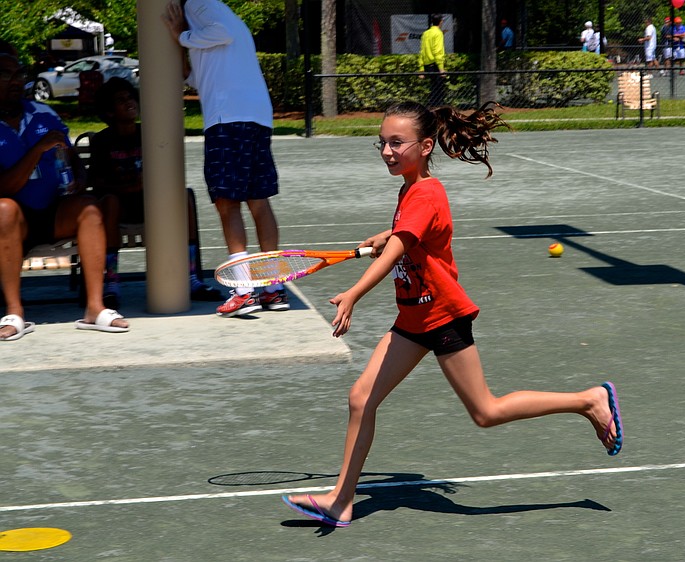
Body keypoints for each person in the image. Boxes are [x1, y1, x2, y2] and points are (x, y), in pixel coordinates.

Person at [281, 101, 624, 527]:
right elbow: (415, 234)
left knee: (486, 412)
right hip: (413, 320)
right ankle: (340, 500)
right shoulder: (411, 190)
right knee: (360, 399)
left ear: (425, 146)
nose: (388, 151)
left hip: (442, 317)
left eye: (397, 143)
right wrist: (388, 234)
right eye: (382, 143)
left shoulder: (425, 192)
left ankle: (588, 400)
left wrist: (353, 293)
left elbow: (399, 251)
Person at [162, 0, 288, 317]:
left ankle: (244, 289)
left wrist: (181, 36)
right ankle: (273, 289)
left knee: (226, 200)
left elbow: (225, 32)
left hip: (228, 118)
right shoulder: (203, 14)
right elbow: (193, 75)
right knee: (258, 200)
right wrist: (182, 41)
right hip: (254, 115)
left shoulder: (199, 3)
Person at [0, 53, 129, 340]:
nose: (16, 81)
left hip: (53, 209)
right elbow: (4, 188)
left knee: (89, 209)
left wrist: (79, 180)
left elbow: (70, 156)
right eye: (7, 75)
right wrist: (36, 150)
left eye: (19, 74)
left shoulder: (44, 113)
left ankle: (95, 308)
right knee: (4, 209)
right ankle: (15, 312)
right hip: (11, 221)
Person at [87, 77, 223, 306]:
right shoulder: (103, 141)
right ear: (109, 112)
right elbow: (97, 183)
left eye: (130, 97)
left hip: (152, 204)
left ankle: (190, 278)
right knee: (109, 201)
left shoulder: (150, 133)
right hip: (119, 208)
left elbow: (168, 170)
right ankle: (111, 282)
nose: (129, 102)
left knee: (185, 195)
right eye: (121, 100)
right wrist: (129, 187)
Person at [418, 14, 446, 108]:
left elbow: (422, 51)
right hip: (435, 65)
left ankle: (433, 109)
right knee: (438, 90)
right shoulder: (438, 33)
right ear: (441, 22)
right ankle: (437, 111)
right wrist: (441, 68)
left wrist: (421, 69)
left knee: (434, 88)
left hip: (427, 65)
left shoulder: (426, 33)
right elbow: (437, 51)